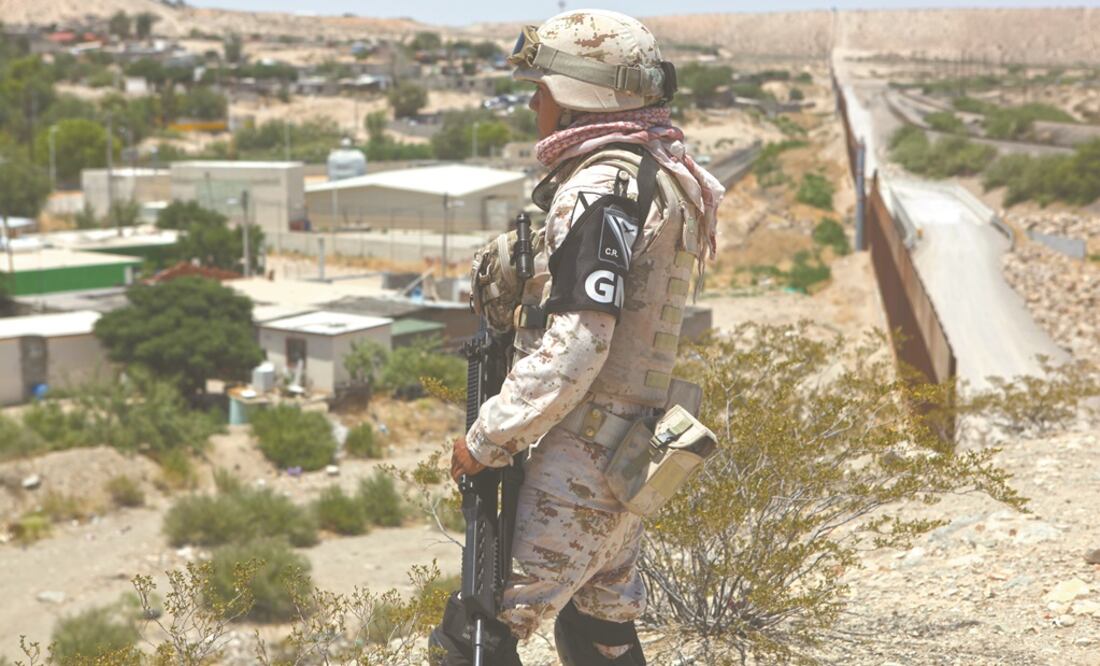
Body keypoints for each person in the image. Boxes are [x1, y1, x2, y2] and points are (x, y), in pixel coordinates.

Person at [443, 9, 724, 665]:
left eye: (542, 89)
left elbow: (580, 343)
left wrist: (489, 437)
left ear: (579, 95)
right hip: (631, 447)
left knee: (477, 633)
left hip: (582, 458)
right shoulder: (661, 173)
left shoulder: (602, 187)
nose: (533, 104)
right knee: (599, 630)